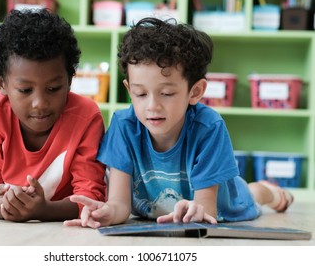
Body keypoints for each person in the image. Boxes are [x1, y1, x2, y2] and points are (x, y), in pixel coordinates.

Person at [64, 17, 294, 228]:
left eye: (166, 93)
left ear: (195, 91)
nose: (152, 106)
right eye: (141, 94)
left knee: (249, 195)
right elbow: (119, 205)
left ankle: (267, 190)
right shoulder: (123, 126)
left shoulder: (209, 127)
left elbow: (207, 207)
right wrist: (107, 212)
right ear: (129, 90)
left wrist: (196, 211)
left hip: (226, 204)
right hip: (156, 211)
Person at [0, 9, 106, 222]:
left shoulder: (87, 117)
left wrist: (44, 211)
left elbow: (91, 196)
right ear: (2, 84)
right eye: (25, 90)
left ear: (70, 80)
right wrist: (3, 208)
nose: (40, 103)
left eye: (53, 88)